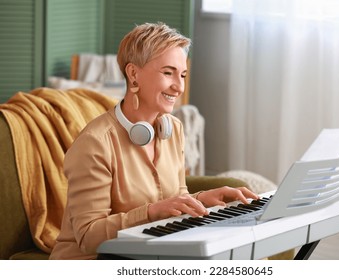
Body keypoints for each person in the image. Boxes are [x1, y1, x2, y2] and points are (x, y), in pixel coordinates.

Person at [49, 22, 258, 260]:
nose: (179, 87)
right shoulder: (95, 143)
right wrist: (150, 213)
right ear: (133, 74)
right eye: (168, 73)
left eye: (183, 75)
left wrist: (202, 200)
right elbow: (88, 237)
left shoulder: (173, 129)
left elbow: (175, 198)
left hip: (150, 253)